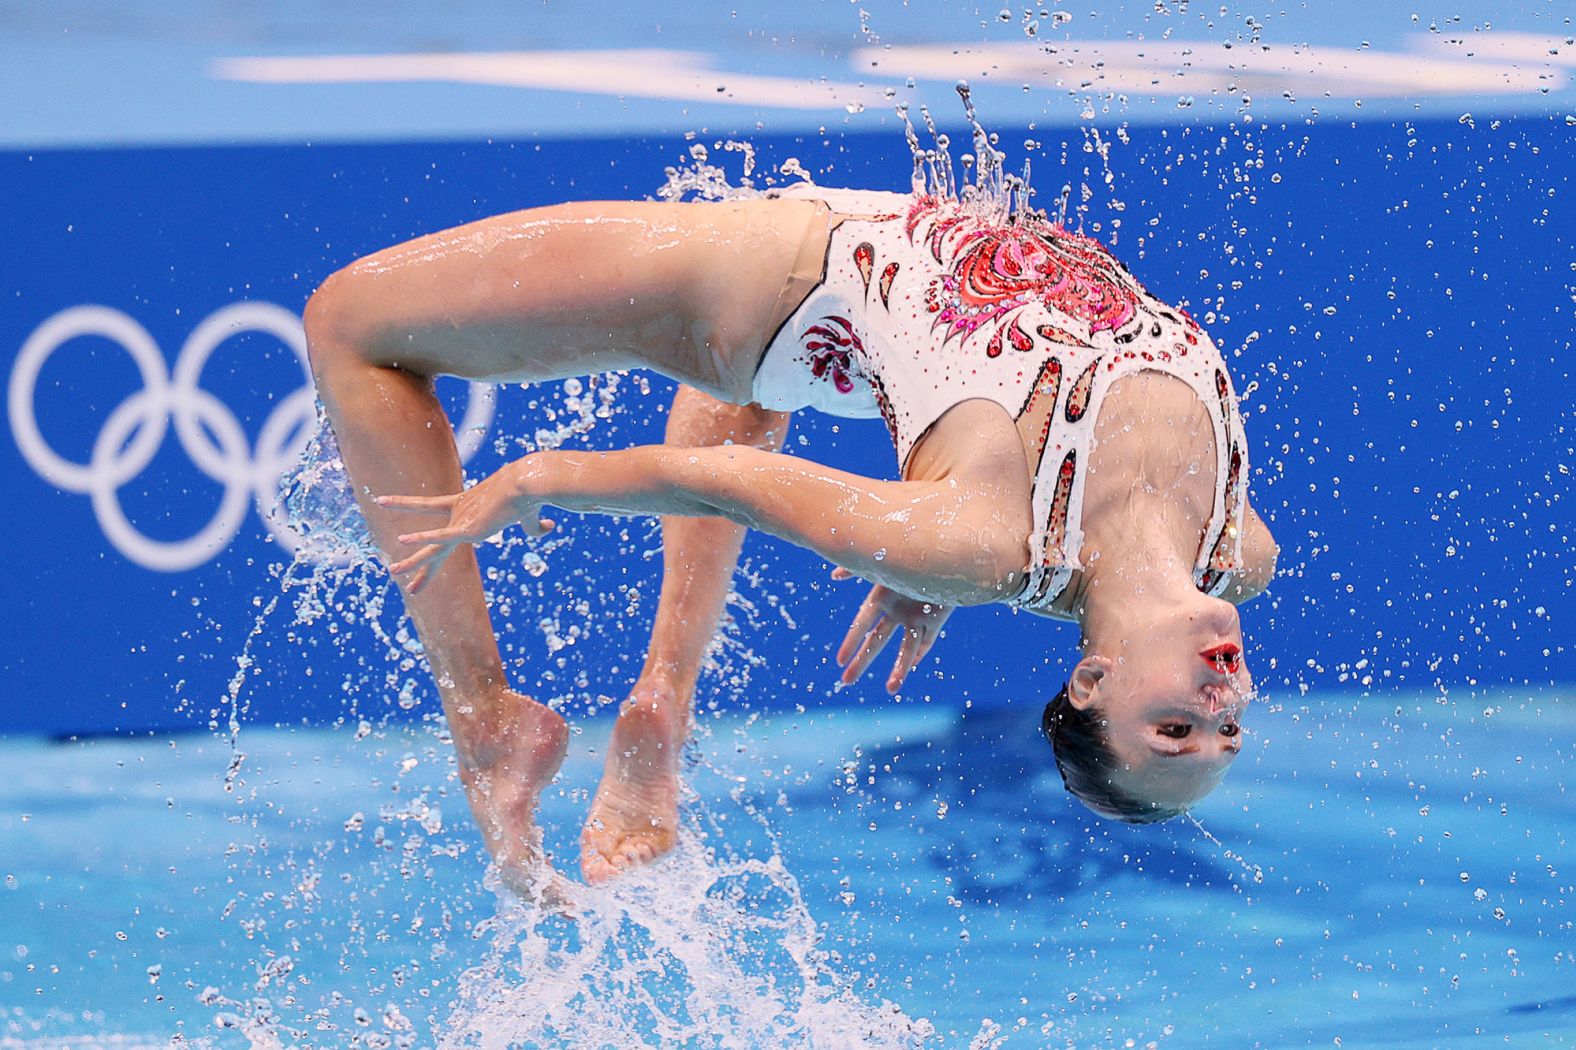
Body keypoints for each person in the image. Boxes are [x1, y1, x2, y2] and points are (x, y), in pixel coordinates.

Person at [302, 181, 1277, 891]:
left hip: (773, 284)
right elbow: (1063, 493)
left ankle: (482, 718)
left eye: (1173, 729)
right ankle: (660, 709)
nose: (1214, 702)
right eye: (1223, 731)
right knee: (767, 395)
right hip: (856, 329)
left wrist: (541, 478)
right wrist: (919, 554)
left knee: (351, 323)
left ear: (1093, 682)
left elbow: (724, 485)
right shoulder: (1234, 545)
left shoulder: (981, 542)